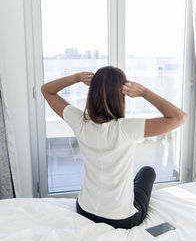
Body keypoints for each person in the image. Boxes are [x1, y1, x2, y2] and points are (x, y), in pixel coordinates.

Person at [41, 66, 188, 229]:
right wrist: (144, 92)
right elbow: (180, 117)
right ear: (121, 95)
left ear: (92, 92)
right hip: (121, 219)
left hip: (84, 208)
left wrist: (76, 78)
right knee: (147, 171)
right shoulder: (126, 128)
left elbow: (47, 90)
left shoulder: (79, 121)